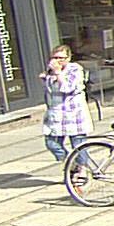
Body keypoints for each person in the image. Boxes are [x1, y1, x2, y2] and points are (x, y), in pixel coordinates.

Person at [39, 44, 92, 174]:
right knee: (51, 143)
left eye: (61, 58)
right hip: (56, 115)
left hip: (73, 114)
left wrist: (58, 72)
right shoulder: (50, 71)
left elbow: (67, 88)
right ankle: (71, 164)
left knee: (78, 145)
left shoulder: (75, 70)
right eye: (54, 57)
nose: (57, 61)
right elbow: (51, 91)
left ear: (68, 58)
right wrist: (45, 79)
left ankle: (82, 169)